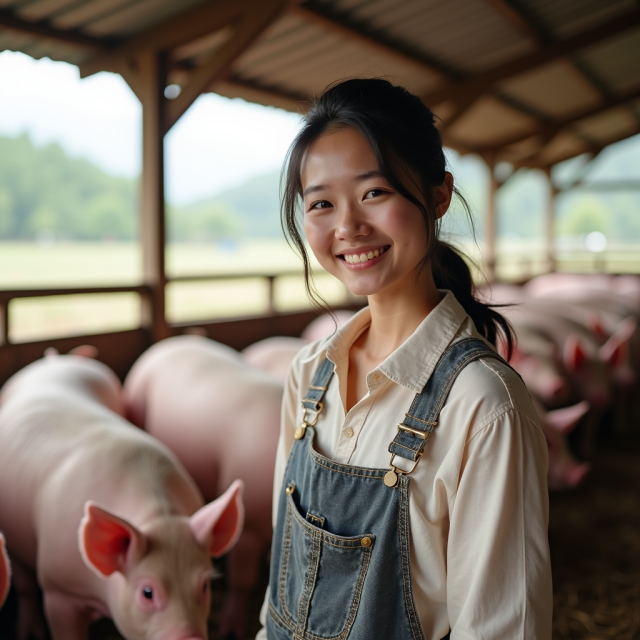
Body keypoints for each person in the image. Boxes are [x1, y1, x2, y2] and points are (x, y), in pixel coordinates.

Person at [256, 78, 552, 640]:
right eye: (321, 203)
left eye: (375, 192)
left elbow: (500, 627)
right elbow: (283, 584)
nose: (347, 227)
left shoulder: (484, 407)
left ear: (438, 195)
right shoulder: (308, 375)